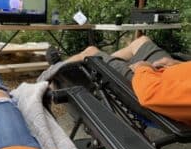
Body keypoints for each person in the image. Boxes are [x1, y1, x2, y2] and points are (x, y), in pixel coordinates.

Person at [45, 36, 191, 125]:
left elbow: (152, 94)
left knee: (90, 52)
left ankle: (51, 76)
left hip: (147, 86)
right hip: (171, 75)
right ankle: (93, 68)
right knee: (141, 41)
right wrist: (180, 64)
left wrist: (142, 68)